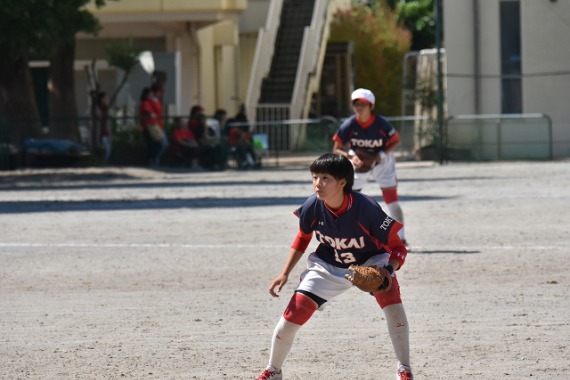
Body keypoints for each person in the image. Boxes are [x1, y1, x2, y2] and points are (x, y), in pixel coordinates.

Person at [255, 153, 413, 380]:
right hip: (328, 265)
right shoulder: (312, 205)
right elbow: (302, 238)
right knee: (292, 316)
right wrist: (284, 273)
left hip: (371, 260)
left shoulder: (366, 208)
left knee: (393, 305)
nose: (318, 183)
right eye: (315, 177)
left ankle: (404, 369)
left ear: (342, 183)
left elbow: (399, 248)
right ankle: (273, 371)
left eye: (325, 178)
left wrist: (387, 271)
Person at [332, 88, 408, 247]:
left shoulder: (381, 123)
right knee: (350, 200)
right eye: (356, 104)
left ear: (371, 106)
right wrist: (352, 157)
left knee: (392, 200)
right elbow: (336, 148)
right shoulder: (350, 124)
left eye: (364, 104)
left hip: (382, 160)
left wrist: (381, 154)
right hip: (358, 161)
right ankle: (348, 237)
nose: (359, 107)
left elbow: (396, 141)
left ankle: (400, 239)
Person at [139, 85, 168, 167]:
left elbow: (158, 111)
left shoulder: (154, 102)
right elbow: (148, 112)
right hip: (150, 125)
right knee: (157, 143)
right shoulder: (145, 103)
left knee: (158, 143)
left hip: (156, 124)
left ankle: (155, 159)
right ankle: (153, 159)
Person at [96, 91, 111, 162]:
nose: (107, 99)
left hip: (106, 132)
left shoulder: (106, 109)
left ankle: (104, 161)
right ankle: (102, 161)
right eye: (105, 98)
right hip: (100, 133)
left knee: (108, 149)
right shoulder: (97, 109)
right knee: (106, 148)